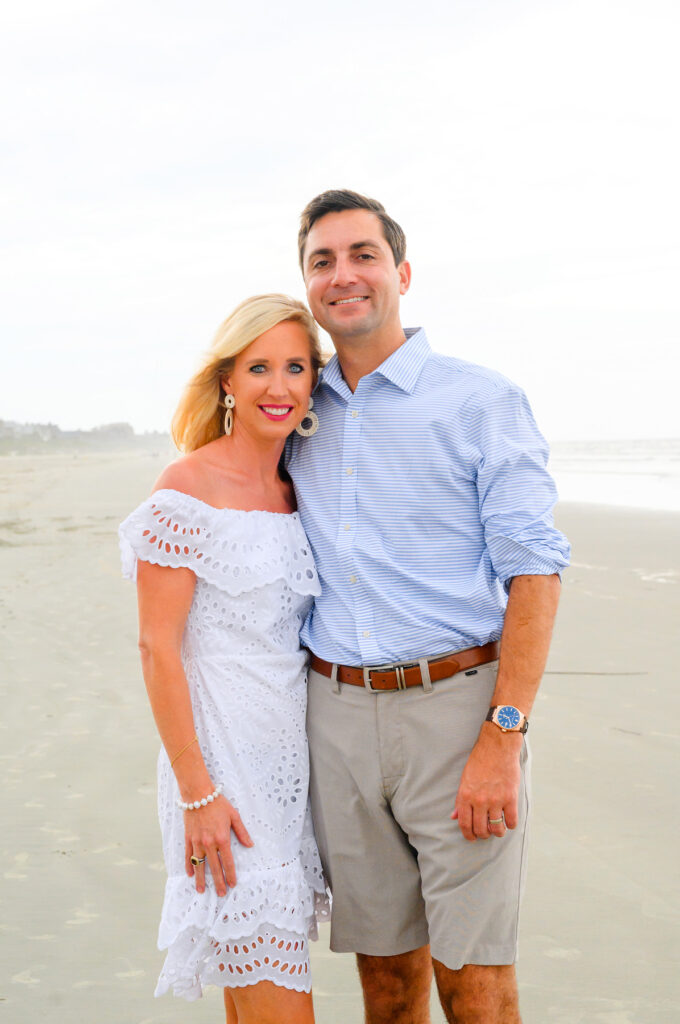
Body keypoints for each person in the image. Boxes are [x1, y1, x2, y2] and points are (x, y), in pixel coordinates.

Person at [285, 190, 571, 1024]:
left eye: (362, 255)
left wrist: (502, 734)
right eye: (323, 261)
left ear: (400, 272)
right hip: (334, 720)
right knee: (386, 982)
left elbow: (537, 574)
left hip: (458, 716)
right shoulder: (296, 412)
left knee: (474, 985)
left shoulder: (480, 400)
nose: (344, 275)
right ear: (308, 285)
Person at [119, 294, 330, 1024]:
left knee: (254, 1002)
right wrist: (198, 794)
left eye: (297, 367)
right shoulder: (187, 488)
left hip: (287, 771)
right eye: (260, 367)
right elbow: (157, 649)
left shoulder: (299, 489)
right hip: (220, 776)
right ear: (227, 382)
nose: (280, 386)